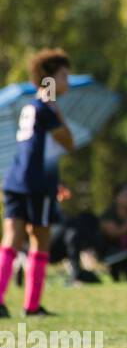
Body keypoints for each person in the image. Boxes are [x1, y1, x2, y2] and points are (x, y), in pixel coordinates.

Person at [0, 49, 76, 317]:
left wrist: (57, 181)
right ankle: (32, 306)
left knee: (11, 237)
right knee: (39, 238)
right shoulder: (47, 110)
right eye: (64, 75)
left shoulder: (31, 107)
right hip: (36, 185)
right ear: (50, 80)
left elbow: (37, 151)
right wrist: (59, 114)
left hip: (15, 178)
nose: (68, 80)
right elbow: (68, 142)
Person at [98, 183, 127, 282]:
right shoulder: (109, 214)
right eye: (126, 195)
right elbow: (113, 233)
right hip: (112, 250)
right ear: (116, 197)